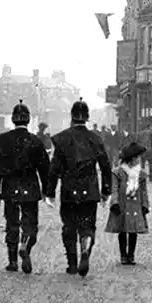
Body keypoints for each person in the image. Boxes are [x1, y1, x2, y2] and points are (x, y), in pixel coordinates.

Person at [45, 99, 112, 278]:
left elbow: (54, 168)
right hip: (90, 190)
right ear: (87, 118)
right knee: (87, 225)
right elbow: (106, 166)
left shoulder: (62, 139)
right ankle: (86, 247)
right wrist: (106, 191)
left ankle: (72, 264)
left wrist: (49, 192)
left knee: (69, 226)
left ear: (72, 117)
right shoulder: (95, 139)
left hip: (69, 189)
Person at [0, 100, 51, 273]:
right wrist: (47, 191)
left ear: (13, 120)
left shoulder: (2, 142)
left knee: (12, 223)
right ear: (28, 120)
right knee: (30, 223)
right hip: (30, 187)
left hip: (9, 187)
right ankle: (26, 245)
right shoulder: (36, 141)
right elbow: (45, 169)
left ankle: (13, 261)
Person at [106, 142, 151, 266]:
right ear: (132, 158)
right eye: (138, 157)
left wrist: (145, 205)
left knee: (133, 230)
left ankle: (131, 255)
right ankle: (123, 255)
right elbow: (114, 188)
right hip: (122, 203)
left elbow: (144, 191)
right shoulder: (118, 172)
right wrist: (114, 202)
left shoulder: (141, 174)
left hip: (136, 204)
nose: (139, 160)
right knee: (122, 229)